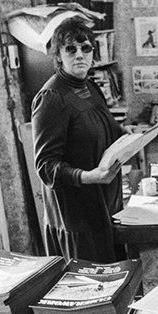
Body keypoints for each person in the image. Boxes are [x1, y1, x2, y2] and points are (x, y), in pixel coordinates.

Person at [32, 16, 126, 263]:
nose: (79, 55)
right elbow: (46, 167)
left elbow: (105, 129)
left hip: (103, 203)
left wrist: (130, 138)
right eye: (70, 49)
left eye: (86, 49)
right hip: (76, 214)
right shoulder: (52, 97)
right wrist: (88, 177)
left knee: (113, 279)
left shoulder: (91, 87)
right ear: (58, 56)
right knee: (91, 288)